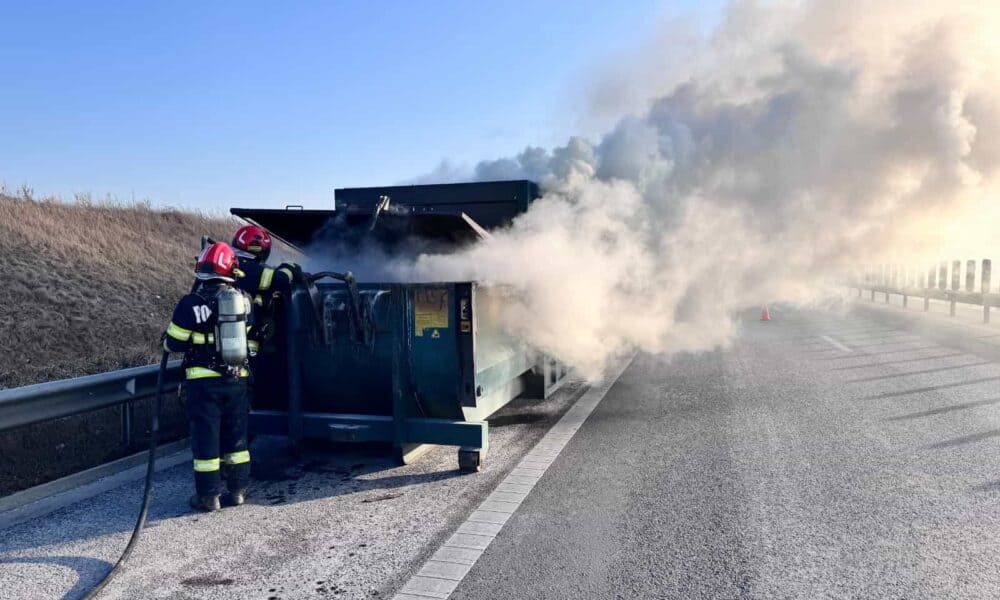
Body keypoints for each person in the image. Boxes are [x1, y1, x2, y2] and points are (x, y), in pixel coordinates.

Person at [163, 242, 253, 511]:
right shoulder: (243, 301)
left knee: (206, 440)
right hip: (237, 379)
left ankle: (208, 497)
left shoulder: (191, 303)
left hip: (203, 384)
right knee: (236, 440)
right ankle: (237, 491)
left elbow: (175, 343)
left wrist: (168, 342)